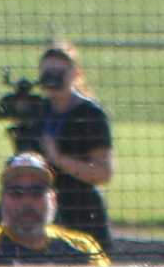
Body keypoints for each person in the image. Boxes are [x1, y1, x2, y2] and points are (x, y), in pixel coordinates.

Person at [7, 43, 114, 251]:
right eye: (47, 72)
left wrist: (58, 158)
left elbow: (103, 173)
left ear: (75, 74)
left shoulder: (91, 115)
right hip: (41, 214)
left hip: (82, 214)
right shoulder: (39, 110)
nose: (52, 78)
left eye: (59, 72)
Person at [0, 155, 109, 266]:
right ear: (3, 200)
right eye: (16, 193)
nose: (26, 201)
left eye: (37, 192)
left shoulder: (83, 248)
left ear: (53, 199)